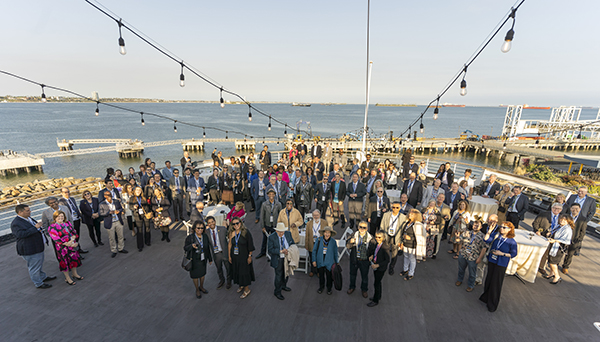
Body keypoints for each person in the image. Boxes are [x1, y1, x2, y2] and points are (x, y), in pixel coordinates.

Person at [11, 204, 56, 289]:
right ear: (20, 212)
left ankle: (42, 277)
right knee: (34, 267)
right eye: (27, 211)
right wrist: (35, 227)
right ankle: (38, 283)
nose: (30, 212)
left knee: (38, 264)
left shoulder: (27, 218)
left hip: (37, 247)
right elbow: (20, 234)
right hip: (30, 249)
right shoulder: (16, 223)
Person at [480, 222, 518, 312]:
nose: (502, 229)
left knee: (496, 283)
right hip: (492, 260)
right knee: (489, 279)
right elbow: (486, 240)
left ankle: (492, 303)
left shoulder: (511, 242)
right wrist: (489, 232)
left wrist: (502, 254)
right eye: (501, 227)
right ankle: (486, 297)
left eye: (504, 227)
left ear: (510, 230)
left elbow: (513, 254)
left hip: (501, 263)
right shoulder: (496, 235)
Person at [48, 211, 83, 285]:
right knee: (65, 262)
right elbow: (56, 239)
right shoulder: (52, 227)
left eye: (62, 216)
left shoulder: (67, 223)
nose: (60, 218)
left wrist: (73, 241)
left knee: (74, 260)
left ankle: (75, 274)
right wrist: (69, 243)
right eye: (58, 216)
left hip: (71, 245)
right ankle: (67, 278)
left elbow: (74, 233)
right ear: (55, 218)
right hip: (62, 248)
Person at [455, 219, 487, 292]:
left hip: (473, 257)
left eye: (477, 225)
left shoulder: (483, 236)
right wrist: (457, 238)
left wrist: (479, 258)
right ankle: (459, 280)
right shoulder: (466, 233)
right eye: (474, 225)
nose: (475, 226)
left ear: (481, 227)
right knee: (461, 269)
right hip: (463, 254)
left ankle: (471, 285)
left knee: (472, 273)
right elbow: (459, 241)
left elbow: (484, 248)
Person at [227, 217, 255, 299]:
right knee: (237, 271)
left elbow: (250, 245)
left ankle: (247, 289)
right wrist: (229, 256)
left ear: (241, 223)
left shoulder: (246, 232)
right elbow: (230, 244)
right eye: (234, 224)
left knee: (243, 272)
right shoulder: (231, 233)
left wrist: (250, 256)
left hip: (244, 257)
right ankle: (241, 285)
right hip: (235, 257)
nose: (236, 225)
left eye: (237, 223)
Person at [184, 221, 212, 299]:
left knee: (202, 274)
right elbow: (185, 248)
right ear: (194, 228)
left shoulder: (205, 236)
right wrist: (191, 246)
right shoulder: (190, 237)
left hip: (203, 259)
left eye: (202, 228)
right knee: (195, 276)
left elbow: (207, 248)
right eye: (198, 228)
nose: (200, 229)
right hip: (194, 260)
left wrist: (210, 258)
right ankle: (197, 289)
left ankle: (201, 286)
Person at [541, 214, 573, 284]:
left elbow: (566, 240)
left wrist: (554, 240)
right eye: (561, 219)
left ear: (568, 221)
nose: (562, 221)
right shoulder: (560, 226)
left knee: (553, 262)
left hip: (559, 248)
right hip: (553, 246)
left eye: (564, 220)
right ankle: (551, 274)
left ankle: (557, 276)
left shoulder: (567, 229)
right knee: (550, 260)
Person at [347, 221, 374, 298]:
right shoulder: (353, 235)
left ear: (367, 229)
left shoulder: (371, 238)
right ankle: (352, 287)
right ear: (358, 228)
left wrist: (371, 255)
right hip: (354, 259)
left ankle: (364, 289)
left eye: (364, 227)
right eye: (360, 227)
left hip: (364, 260)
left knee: (364, 276)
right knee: (352, 275)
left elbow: (373, 249)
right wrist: (350, 242)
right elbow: (348, 246)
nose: (362, 229)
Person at [268, 222, 295, 300]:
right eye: (279, 232)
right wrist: (280, 251)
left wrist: (288, 251)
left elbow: (292, 244)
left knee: (286, 273)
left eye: (282, 231)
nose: (281, 233)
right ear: (276, 231)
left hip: (287, 258)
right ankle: (277, 291)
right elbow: (270, 250)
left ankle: (283, 285)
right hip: (278, 259)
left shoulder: (288, 234)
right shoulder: (271, 237)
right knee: (279, 275)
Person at [380, 201, 407, 275]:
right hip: (387, 236)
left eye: (397, 207)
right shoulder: (386, 215)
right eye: (393, 207)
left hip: (396, 237)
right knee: (386, 252)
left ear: (400, 208)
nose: (395, 209)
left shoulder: (403, 217)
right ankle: (385, 264)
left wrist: (401, 241)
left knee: (394, 254)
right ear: (391, 207)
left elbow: (403, 230)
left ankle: (391, 267)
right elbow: (382, 226)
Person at [98, 190, 128, 258]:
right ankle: (114, 250)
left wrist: (118, 211)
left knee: (121, 236)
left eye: (110, 195)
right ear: (105, 196)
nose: (109, 196)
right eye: (107, 195)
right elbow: (100, 213)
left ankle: (121, 248)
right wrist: (109, 213)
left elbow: (121, 208)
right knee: (112, 238)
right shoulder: (102, 204)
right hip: (110, 222)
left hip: (118, 221)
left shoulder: (116, 201)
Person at [58, 187, 88, 254]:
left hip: (76, 219)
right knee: (72, 237)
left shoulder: (72, 199)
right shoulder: (60, 202)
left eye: (68, 191)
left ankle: (78, 249)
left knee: (77, 235)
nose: (67, 193)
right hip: (70, 221)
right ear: (61, 193)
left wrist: (80, 216)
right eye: (65, 192)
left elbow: (76, 208)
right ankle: (76, 252)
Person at [206, 216, 232, 289]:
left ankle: (229, 281)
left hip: (224, 252)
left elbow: (230, 237)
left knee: (228, 268)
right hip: (216, 254)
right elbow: (207, 246)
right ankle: (222, 280)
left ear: (215, 221)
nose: (211, 223)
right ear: (207, 224)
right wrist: (209, 258)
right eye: (209, 222)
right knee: (219, 269)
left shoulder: (223, 229)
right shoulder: (206, 233)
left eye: (212, 221)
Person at [399, 209, 426, 280]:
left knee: (412, 259)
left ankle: (411, 273)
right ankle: (405, 269)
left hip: (412, 245)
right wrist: (402, 242)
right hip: (405, 243)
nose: (410, 215)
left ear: (416, 216)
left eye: (412, 214)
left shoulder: (418, 224)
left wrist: (410, 238)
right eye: (409, 213)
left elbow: (420, 237)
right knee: (405, 256)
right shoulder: (407, 222)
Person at [312, 226, 339, 295]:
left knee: (329, 276)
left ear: (330, 234)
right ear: (323, 233)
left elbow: (335, 252)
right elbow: (314, 251)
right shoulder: (318, 240)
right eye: (326, 232)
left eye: (329, 233)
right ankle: (321, 287)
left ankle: (329, 288)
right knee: (321, 275)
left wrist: (337, 262)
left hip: (329, 262)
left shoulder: (333, 242)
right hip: (320, 260)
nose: (327, 234)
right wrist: (314, 260)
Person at [256, 189, 282, 259]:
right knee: (265, 239)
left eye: (272, 194)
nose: (271, 195)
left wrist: (279, 226)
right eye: (269, 194)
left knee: (274, 240)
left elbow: (280, 215)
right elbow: (262, 216)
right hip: (267, 224)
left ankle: (273, 253)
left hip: (275, 225)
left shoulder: (278, 204)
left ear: (274, 195)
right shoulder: (264, 204)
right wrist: (262, 226)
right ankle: (263, 252)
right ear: (267, 195)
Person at [562, 203, 587, 274]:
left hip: (574, 239)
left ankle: (565, 267)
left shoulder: (583, 219)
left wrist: (579, 240)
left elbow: (583, 231)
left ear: (580, 209)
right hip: (564, 237)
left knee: (570, 254)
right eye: (573, 208)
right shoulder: (566, 216)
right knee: (560, 251)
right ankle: (556, 263)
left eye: (577, 208)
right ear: (570, 209)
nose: (574, 210)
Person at [367, 230, 390, 307]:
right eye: (376, 237)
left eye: (379, 237)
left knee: (376, 283)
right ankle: (378, 296)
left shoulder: (385, 247)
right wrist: (372, 256)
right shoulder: (378, 244)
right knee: (378, 282)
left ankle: (375, 300)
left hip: (380, 268)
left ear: (383, 237)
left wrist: (378, 265)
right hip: (376, 264)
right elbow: (376, 252)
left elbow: (387, 260)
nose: (377, 238)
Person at [129, 186, 152, 251]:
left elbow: (148, 205)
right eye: (137, 190)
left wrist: (147, 209)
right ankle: (140, 245)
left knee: (147, 228)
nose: (138, 191)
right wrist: (134, 207)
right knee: (139, 230)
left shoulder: (144, 197)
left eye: (139, 190)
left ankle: (147, 241)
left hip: (145, 214)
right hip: (137, 215)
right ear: (134, 191)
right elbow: (130, 207)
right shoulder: (132, 198)